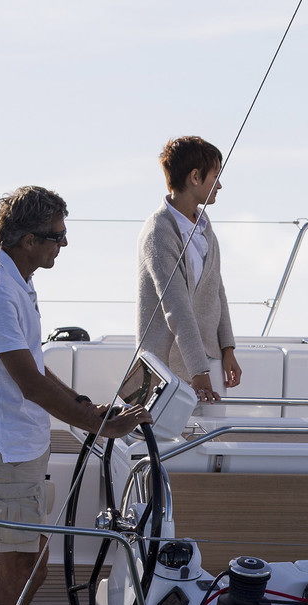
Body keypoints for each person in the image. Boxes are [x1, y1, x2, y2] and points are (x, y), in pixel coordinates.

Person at [0, 185, 149, 605]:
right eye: (57, 235)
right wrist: (102, 425)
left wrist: (86, 407)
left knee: (32, 567)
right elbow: (30, 384)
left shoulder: (14, 282)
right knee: (18, 571)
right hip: (6, 454)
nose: (65, 242)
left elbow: (33, 365)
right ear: (29, 241)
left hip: (18, 450)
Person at [135, 136, 241, 404]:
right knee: (173, 444)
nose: (220, 185)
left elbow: (217, 290)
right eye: (215, 176)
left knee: (211, 442)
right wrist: (199, 372)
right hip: (169, 368)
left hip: (208, 362)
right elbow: (176, 306)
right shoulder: (159, 231)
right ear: (195, 177)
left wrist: (228, 350)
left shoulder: (204, 226)